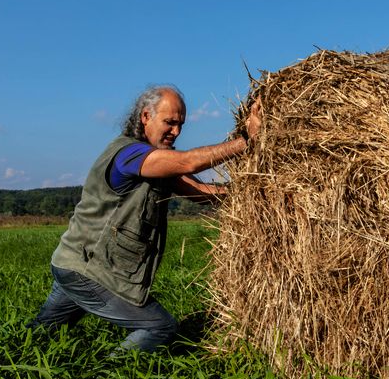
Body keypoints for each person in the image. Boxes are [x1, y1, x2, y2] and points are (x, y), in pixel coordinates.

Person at [27, 85, 261, 352]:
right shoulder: (130, 154)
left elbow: (204, 194)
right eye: (169, 122)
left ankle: (15, 362)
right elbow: (187, 162)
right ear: (145, 117)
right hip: (89, 270)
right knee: (158, 327)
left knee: (41, 337)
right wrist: (247, 141)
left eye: (180, 124)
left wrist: (257, 192)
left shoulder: (156, 165)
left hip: (73, 262)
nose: (176, 131)